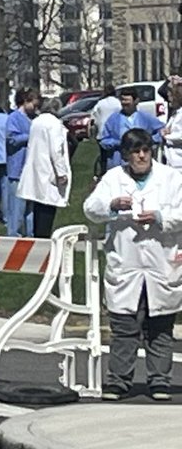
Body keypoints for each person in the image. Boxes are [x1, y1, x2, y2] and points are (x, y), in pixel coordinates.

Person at [83, 128, 182, 401]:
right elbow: (90, 208)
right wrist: (112, 206)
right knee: (124, 326)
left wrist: (161, 217)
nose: (141, 156)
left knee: (160, 325)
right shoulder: (113, 178)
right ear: (126, 155)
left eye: (145, 150)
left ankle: (159, 380)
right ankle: (118, 381)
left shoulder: (171, 178)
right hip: (126, 262)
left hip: (161, 261)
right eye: (135, 152)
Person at [17, 106, 72, 237]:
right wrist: (61, 173)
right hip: (49, 172)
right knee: (47, 211)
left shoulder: (36, 121)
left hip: (37, 170)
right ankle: (44, 243)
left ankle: (38, 240)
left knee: (38, 209)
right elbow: (56, 150)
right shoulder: (54, 124)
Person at [100, 88, 164, 169]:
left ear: (136, 101)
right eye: (122, 100)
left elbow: (162, 130)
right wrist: (119, 142)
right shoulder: (113, 119)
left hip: (141, 162)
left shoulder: (145, 117)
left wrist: (150, 140)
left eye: (127, 100)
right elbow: (104, 140)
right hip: (119, 163)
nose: (124, 103)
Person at [5, 89, 39, 237]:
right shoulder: (14, 118)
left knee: (30, 208)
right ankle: (14, 235)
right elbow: (11, 139)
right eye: (33, 104)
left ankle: (30, 235)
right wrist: (30, 135)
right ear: (25, 101)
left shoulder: (36, 118)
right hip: (17, 168)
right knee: (17, 207)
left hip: (32, 169)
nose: (35, 108)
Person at [90, 84, 122, 175]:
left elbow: (93, 116)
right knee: (116, 155)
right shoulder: (118, 103)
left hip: (102, 132)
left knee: (103, 156)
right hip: (116, 133)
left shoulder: (100, 103)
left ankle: (104, 173)